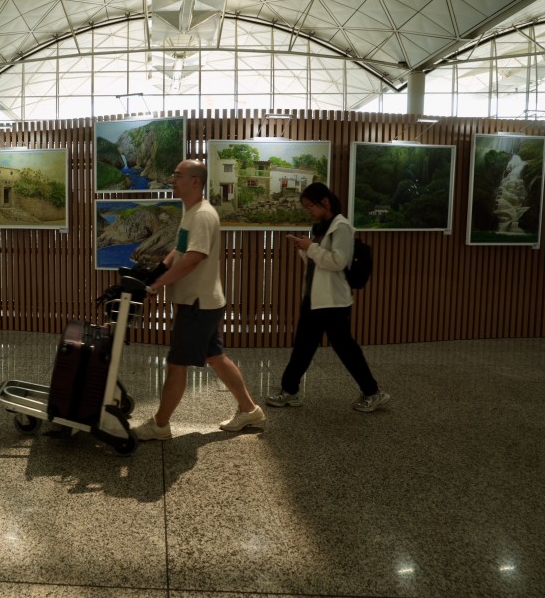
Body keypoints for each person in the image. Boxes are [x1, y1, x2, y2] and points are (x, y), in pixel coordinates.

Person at [132, 159, 266, 440]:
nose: (172, 179)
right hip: (205, 301)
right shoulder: (191, 212)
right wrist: (159, 268)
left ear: (195, 181)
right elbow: (181, 250)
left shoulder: (203, 215)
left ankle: (160, 424)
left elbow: (194, 258)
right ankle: (250, 410)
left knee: (177, 363)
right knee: (216, 357)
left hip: (197, 304)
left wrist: (157, 284)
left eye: (177, 175)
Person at [267, 182, 390, 412]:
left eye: (310, 206)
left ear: (324, 201)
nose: (309, 211)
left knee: (345, 349)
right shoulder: (322, 227)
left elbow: (338, 261)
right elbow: (319, 262)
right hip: (316, 299)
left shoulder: (341, 227)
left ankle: (373, 391)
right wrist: (305, 249)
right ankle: (290, 390)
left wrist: (310, 248)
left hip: (333, 302)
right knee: (304, 347)